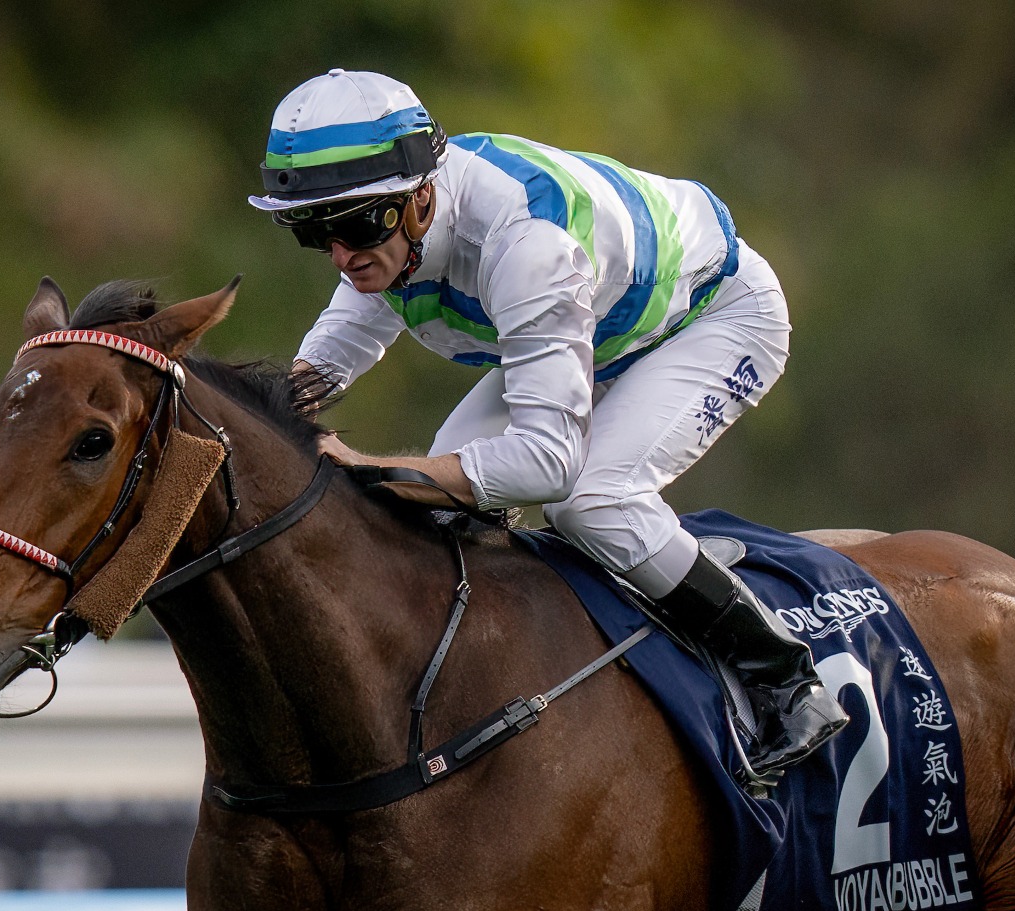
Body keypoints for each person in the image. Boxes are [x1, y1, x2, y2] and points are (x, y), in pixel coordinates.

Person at [250, 69, 845, 776]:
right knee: (445, 488)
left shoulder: (526, 243)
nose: (342, 257)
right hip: (595, 322)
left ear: (421, 198)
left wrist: (374, 471)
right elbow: (329, 359)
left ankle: (783, 677)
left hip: (714, 317)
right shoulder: (387, 228)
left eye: (352, 226)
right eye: (313, 232)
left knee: (590, 500)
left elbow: (546, 465)